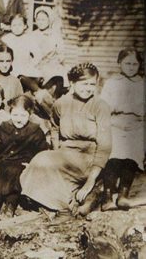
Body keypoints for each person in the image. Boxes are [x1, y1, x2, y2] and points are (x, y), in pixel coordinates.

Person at [20, 63, 112, 220]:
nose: (88, 88)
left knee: (44, 160)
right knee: (40, 162)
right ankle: (57, 202)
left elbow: (105, 146)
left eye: (92, 84)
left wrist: (90, 181)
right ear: (72, 83)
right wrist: (57, 149)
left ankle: (63, 209)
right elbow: (54, 126)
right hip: (66, 153)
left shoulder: (100, 106)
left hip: (88, 158)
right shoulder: (61, 103)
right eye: (84, 84)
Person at [0, 95, 48, 216]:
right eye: (15, 115)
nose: (18, 119)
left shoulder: (35, 131)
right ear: (10, 114)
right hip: (4, 163)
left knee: (17, 174)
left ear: (30, 115)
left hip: (24, 164)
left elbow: (42, 152)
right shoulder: (3, 128)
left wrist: (32, 165)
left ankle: (10, 205)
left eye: (23, 115)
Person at [100, 48, 145, 210]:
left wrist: (130, 111)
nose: (131, 67)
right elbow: (105, 106)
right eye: (127, 63)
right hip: (115, 125)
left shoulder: (142, 84)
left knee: (131, 156)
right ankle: (107, 197)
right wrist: (126, 108)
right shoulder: (112, 83)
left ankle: (123, 195)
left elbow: (142, 110)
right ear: (119, 63)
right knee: (114, 156)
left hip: (136, 126)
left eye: (135, 63)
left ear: (140, 65)